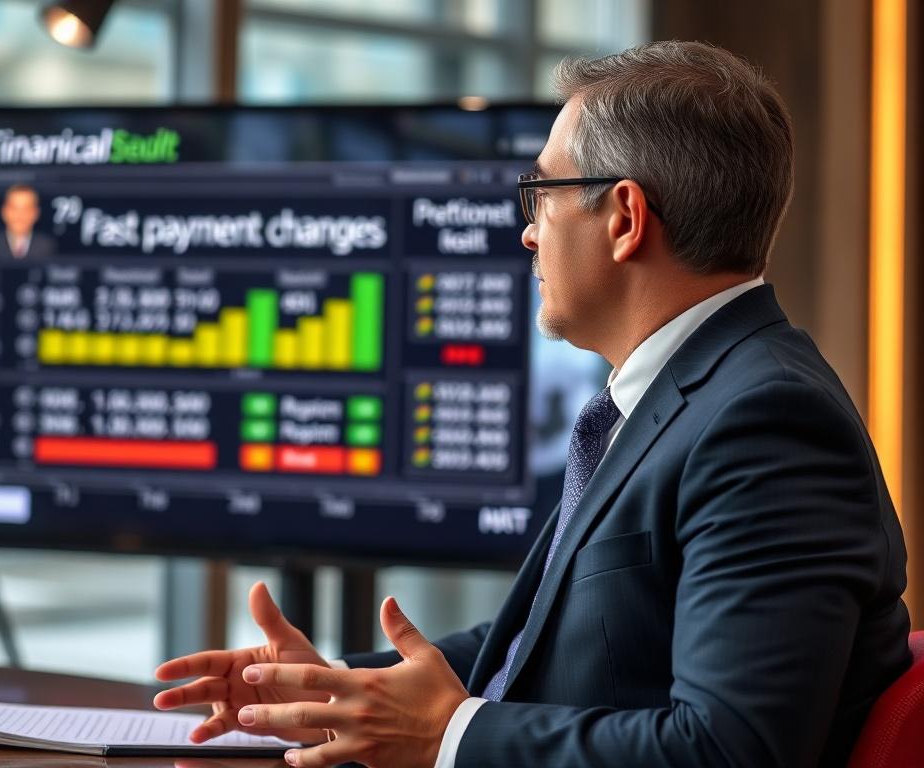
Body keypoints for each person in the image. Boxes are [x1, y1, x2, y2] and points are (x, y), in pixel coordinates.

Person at [153, 41, 912, 767]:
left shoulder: (768, 425)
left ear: (623, 218)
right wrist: (340, 688)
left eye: (540, 194)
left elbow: (728, 750)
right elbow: (557, 638)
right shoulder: (676, 395)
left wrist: (449, 736)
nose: (526, 232)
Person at [0, 184, 56, 260]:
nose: (20, 215)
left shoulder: (47, 246)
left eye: (26, 209)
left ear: (36, 213)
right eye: (14, 209)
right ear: (4, 211)